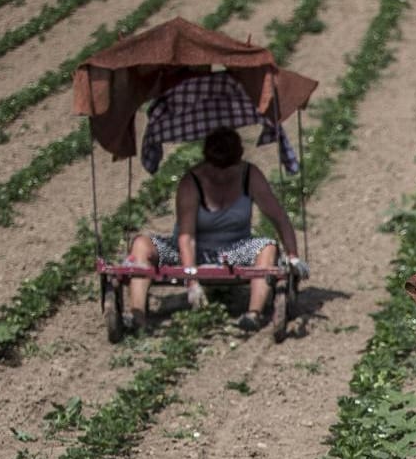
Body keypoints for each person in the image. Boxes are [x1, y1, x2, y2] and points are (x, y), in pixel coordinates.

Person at [122, 127, 301, 334]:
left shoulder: (250, 176)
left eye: (228, 168)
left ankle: (253, 314)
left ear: (238, 160)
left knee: (268, 247)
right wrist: (191, 281)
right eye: (216, 168)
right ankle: (138, 316)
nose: (222, 175)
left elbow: (279, 217)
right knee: (141, 245)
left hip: (234, 249)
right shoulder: (192, 183)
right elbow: (187, 237)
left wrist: (293, 257)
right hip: (189, 251)